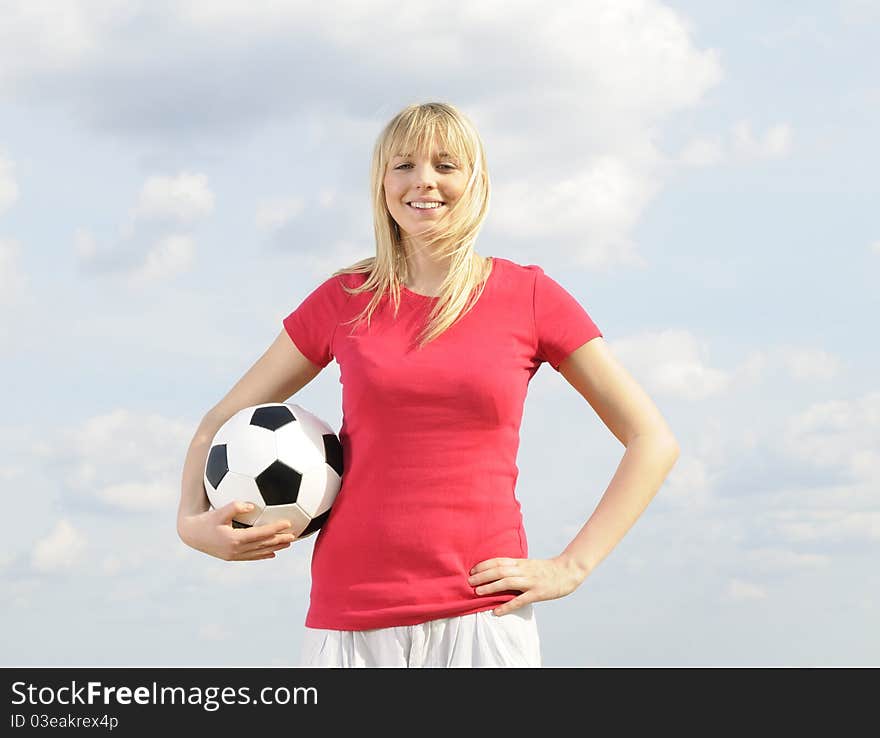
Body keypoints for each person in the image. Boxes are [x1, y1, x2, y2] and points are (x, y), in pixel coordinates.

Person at [177, 101, 681, 668]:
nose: (424, 181)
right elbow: (218, 422)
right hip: (351, 616)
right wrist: (191, 526)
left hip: (482, 614)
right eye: (404, 165)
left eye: (446, 164)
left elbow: (653, 440)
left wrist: (572, 566)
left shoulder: (530, 297)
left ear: (476, 181)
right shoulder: (344, 298)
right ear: (382, 183)